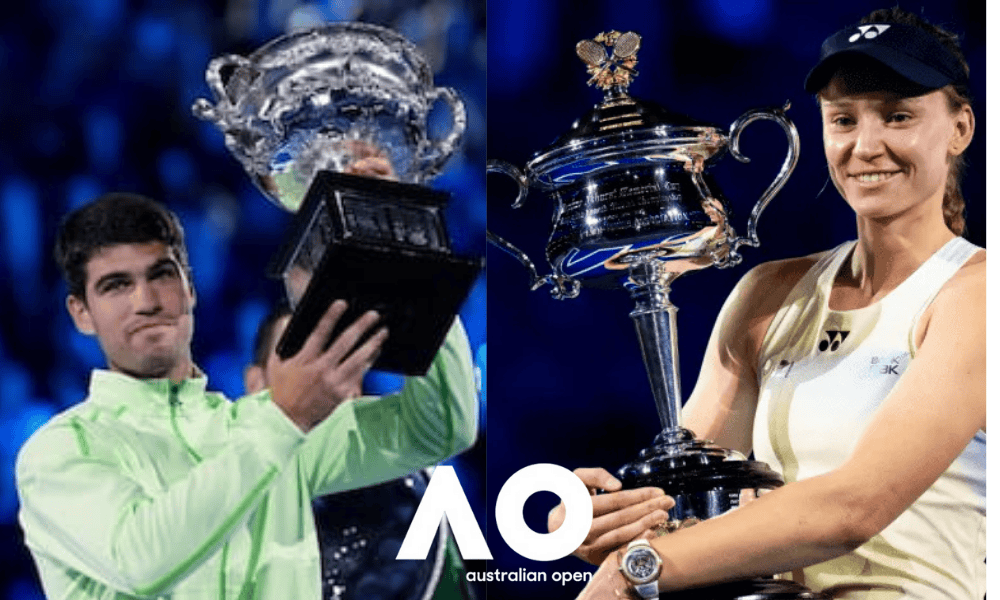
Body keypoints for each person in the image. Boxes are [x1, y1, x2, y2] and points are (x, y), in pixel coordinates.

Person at [554, 8, 984, 600]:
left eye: (898, 116)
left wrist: (640, 566)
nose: (866, 145)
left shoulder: (977, 293)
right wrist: (609, 516)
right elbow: (684, 506)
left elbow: (853, 508)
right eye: (843, 119)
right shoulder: (769, 293)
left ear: (960, 128)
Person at [15, 192, 478, 599]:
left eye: (161, 275)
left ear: (190, 289)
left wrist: (398, 247)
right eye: (116, 286)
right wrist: (284, 418)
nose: (147, 301)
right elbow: (140, 560)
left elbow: (437, 429)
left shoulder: (260, 427)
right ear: (81, 314)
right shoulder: (59, 450)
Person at [244, 303, 476, 600]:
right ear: (255, 383)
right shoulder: (212, 476)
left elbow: (447, 426)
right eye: (298, 355)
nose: (317, 373)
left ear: (355, 386)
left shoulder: (411, 494)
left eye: (338, 357)